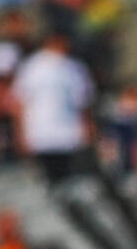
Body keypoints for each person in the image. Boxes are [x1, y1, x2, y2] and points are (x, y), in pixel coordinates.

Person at [12, 28, 95, 182]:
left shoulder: (75, 67)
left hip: (69, 134)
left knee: (70, 180)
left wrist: (87, 128)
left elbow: (83, 103)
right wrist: (20, 133)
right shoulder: (32, 67)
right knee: (45, 180)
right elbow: (19, 101)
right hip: (40, 134)